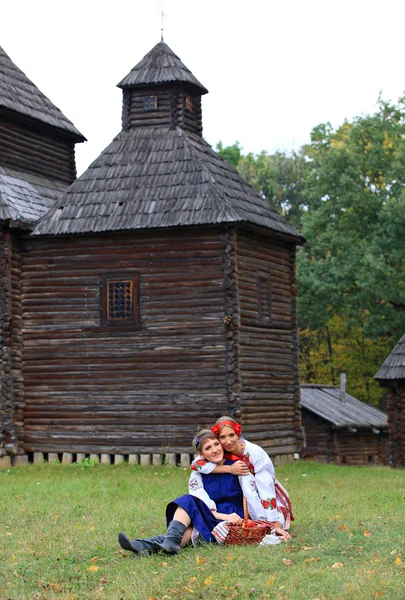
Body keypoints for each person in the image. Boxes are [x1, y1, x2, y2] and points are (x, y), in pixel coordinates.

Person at [118, 429, 249, 556]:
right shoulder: (198, 474)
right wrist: (223, 516)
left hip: (235, 518)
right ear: (201, 454)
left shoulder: (237, 466)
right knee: (188, 514)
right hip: (212, 516)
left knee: (188, 506)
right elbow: (200, 504)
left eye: (216, 444)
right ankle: (150, 545)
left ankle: (149, 544)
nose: (215, 450)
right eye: (208, 448)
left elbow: (252, 496)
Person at [190, 416, 293, 538]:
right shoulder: (219, 448)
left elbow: (266, 489)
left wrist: (269, 524)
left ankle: (274, 527)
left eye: (231, 435)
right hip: (243, 496)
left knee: (275, 516)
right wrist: (230, 469)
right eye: (222, 437)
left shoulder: (255, 453)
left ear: (238, 434)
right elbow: (196, 464)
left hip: (264, 491)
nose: (228, 441)